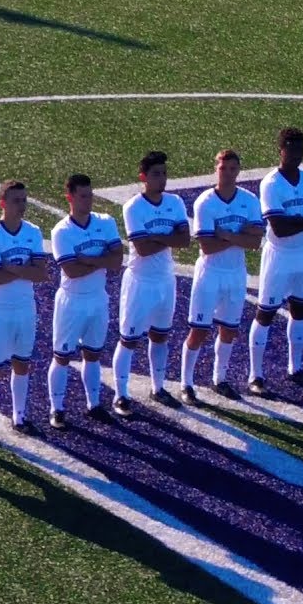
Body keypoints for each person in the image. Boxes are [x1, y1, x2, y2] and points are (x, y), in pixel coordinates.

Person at [249, 127, 303, 396]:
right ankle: (256, 374)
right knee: (265, 313)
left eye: (300, 148)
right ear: (280, 150)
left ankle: (295, 367)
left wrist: (297, 220)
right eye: (291, 148)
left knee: (300, 310)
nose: (296, 153)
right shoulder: (271, 183)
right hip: (278, 255)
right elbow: (279, 228)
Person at [182, 150, 264, 402]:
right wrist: (240, 235)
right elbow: (207, 246)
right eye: (223, 168)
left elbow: (255, 241)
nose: (227, 173)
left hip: (235, 273)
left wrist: (225, 235)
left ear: (239, 170)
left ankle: (220, 378)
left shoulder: (249, 200)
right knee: (199, 331)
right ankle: (186, 383)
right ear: (215, 169)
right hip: (210, 273)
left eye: (232, 168)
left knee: (229, 330)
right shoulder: (205, 202)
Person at [112, 152, 190, 414]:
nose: (162, 179)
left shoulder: (176, 202)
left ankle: (158, 388)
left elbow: (184, 240)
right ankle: (121, 395)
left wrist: (156, 236)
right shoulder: (133, 206)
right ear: (143, 177)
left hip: (165, 279)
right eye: (156, 174)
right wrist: (167, 237)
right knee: (129, 339)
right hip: (140, 281)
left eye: (164, 173)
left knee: (160, 336)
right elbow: (142, 248)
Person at [48, 174, 123, 430]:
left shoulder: (106, 222)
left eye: (90, 195)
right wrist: (100, 259)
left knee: (93, 354)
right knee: (62, 357)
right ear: (70, 197)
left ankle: (94, 404)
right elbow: (71, 271)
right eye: (83, 196)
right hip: (71, 301)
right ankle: (56, 409)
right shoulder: (61, 231)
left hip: (97, 298)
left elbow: (116, 262)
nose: (88, 200)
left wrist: (88, 260)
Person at [0, 180, 48, 439]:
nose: (22, 206)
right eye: (16, 200)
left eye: (24, 200)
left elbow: (41, 274)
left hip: (25, 308)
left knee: (22, 365)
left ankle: (19, 416)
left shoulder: (33, 232)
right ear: (2, 203)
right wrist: (24, 270)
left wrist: (10, 267)